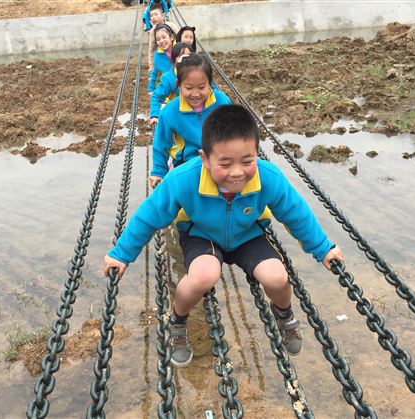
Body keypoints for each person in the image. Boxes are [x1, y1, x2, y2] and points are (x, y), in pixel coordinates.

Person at [104, 104, 344, 367]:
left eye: (247, 161)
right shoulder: (184, 178)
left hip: (248, 234)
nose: (237, 172)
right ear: (205, 158)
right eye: (225, 163)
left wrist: (322, 248)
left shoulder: (268, 178)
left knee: (277, 277)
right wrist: (121, 254)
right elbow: (149, 216)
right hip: (201, 234)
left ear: (256, 154)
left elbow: (296, 215)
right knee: (203, 276)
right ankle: (178, 321)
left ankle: (284, 314)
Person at [149, 53, 231, 187]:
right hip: (188, 165)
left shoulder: (221, 101)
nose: (195, 94)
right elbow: (161, 144)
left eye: (201, 87)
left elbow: (236, 131)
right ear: (178, 84)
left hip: (220, 160)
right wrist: (158, 171)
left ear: (209, 83)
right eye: (188, 88)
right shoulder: (170, 112)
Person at [149, 42, 193, 126]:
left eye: (188, 55)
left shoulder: (199, 73)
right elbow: (156, 96)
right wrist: (155, 115)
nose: (185, 58)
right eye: (180, 56)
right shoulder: (169, 78)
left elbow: (212, 90)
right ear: (174, 60)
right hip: (179, 113)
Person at [147, 3, 179, 72]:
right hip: (163, 55)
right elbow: (151, 49)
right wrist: (151, 65)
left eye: (156, 14)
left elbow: (180, 38)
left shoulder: (172, 26)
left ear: (163, 15)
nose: (153, 17)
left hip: (175, 53)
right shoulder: (153, 31)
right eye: (151, 16)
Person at [148, 24, 176, 94]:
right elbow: (155, 73)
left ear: (171, 37)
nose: (161, 41)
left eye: (164, 37)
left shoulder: (180, 50)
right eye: (158, 39)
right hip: (167, 90)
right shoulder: (157, 55)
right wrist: (151, 89)